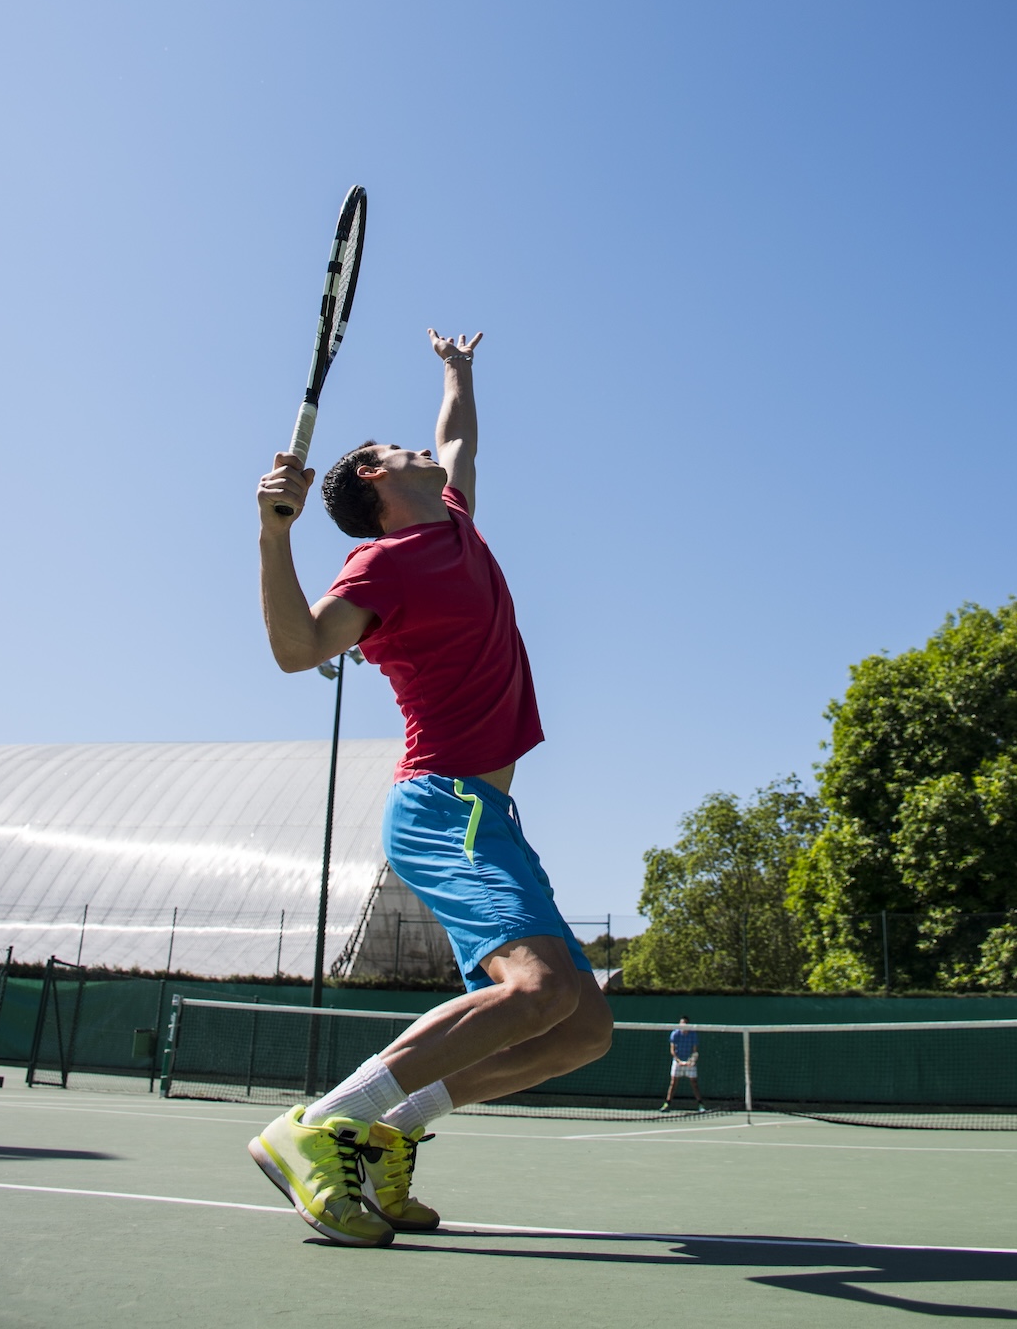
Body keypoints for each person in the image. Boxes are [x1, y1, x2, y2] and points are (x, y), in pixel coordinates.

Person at [250, 328, 613, 1245]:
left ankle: (388, 1129)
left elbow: (458, 441)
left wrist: (458, 371)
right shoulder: (379, 566)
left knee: (578, 1026)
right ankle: (322, 1123)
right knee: (535, 989)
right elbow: (297, 650)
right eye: (391, 443)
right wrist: (272, 535)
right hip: (441, 805)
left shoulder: (452, 516)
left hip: (491, 813)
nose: (417, 444)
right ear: (371, 472)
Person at [661, 1017, 705, 1112]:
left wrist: (690, 1061)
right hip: (677, 1061)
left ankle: (701, 1105)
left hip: (689, 1061)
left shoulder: (693, 1035)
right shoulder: (675, 1034)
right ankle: (667, 1104)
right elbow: (672, 1050)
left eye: (684, 1024)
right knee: (673, 1083)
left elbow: (694, 1051)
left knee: (694, 1083)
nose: (682, 1026)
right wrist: (678, 1061)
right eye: (681, 1023)